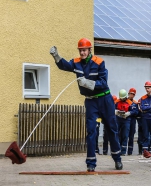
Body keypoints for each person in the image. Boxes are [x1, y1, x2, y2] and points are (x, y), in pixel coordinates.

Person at [49, 38, 122, 171]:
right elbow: (64, 65)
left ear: (89, 50)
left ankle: (117, 159)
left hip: (105, 99)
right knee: (91, 131)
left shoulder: (99, 62)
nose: (82, 52)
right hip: (90, 101)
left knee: (111, 129)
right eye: (81, 50)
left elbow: (103, 83)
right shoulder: (76, 63)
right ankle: (91, 163)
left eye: (84, 50)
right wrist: (56, 56)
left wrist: (87, 83)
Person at [115, 89, 138, 156]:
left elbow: (135, 111)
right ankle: (117, 150)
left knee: (125, 135)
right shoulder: (117, 102)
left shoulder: (130, 103)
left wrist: (129, 113)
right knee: (117, 135)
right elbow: (112, 108)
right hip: (118, 119)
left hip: (126, 120)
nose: (122, 100)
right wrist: (116, 112)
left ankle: (123, 151)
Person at [139, 81, 151, 153]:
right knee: (145, 135)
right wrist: (149, 107)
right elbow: (142, 108)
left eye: (148, 88)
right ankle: (145, 151)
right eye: (146, 88)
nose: (147, 90)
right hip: (145, 119)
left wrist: (146, 108)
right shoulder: (142, 98)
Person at [127, 88, 139, 155]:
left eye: (133, 94)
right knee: (124, 136)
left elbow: (136, 112)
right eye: (130, 94)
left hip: (132, 121)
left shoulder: (135, 103)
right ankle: (122, 150)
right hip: (125, 121)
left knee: (131, 136)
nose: (131, 95)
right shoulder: (125, 101)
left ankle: (130, 152)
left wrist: (130, 113)